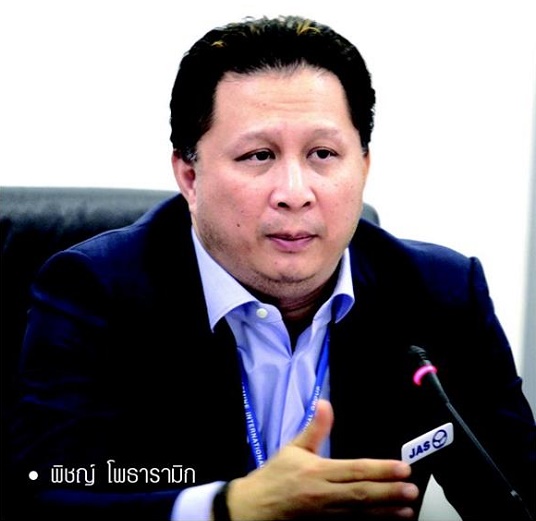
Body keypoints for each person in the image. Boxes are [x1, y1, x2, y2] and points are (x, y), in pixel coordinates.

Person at [9, 14, 535, 521]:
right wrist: (226, 509)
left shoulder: (440, 294)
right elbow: (41, 495)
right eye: (258, 155)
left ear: (363, 166)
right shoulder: (96, 291)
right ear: (189, 176)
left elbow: (518, 495)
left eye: (323, 154)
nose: (294, 193)